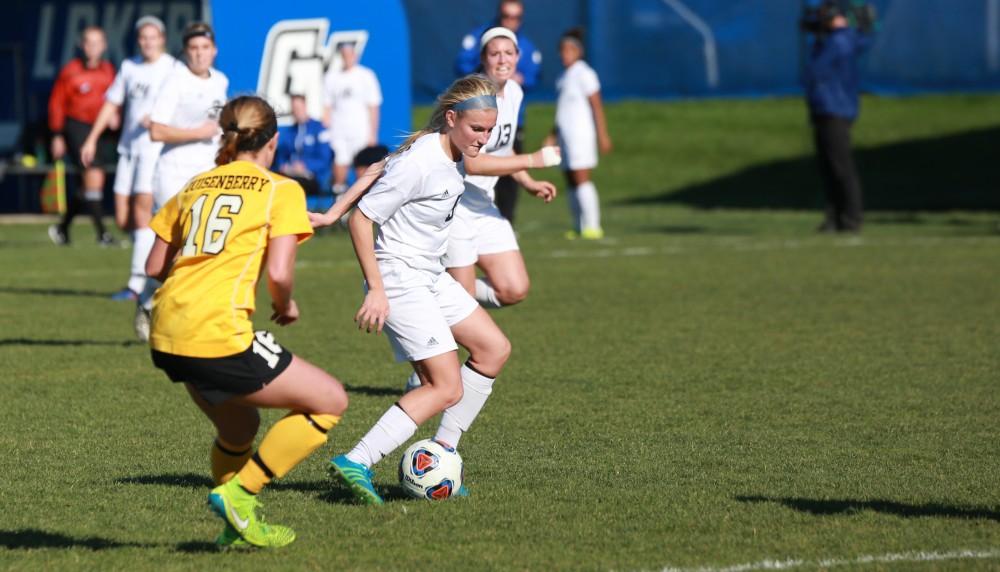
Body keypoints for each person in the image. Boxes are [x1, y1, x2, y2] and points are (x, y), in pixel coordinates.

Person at [146, 95, 348, 548]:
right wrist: (286, 304)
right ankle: (240, 492)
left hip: (165, 329)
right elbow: (279, 273)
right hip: (215, 331)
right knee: (329, 401)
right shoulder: (281, 189)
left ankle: (233, 527)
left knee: (239, 430)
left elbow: (156, 264)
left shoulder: (196, 184)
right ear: (273, 141)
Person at [324, 75, 509, 505]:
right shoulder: (423, 160)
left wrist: (334, 206)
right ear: (451, 119)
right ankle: (357, 460)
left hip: (428, 274)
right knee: (446, 386)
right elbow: (362, 220)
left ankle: (442, 453)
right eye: (477, 129)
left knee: (493, 349)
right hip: (398, 278)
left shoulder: (448, 149)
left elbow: (379, 170)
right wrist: (375, 290)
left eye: (490, 130)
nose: (484, 139)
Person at [136, 21, 228, 340]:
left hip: (207, 173)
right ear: (186, 52)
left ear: (213, 50)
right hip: (173, 172)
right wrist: (196, 134)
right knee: (179, 246)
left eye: (205, 48)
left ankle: (154, 301)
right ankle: (159, 304)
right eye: (193, 49)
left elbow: (218, 128)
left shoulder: (221, 80)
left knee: (200, 246)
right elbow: (156, 130)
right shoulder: (175, 81)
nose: (200, 55)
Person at [80, 16, 176, 301]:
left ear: (162, 38)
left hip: (153, 150)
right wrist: (92, 138)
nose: (148, 42)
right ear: (138, 40)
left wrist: (160, 120)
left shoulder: (172, 68)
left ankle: (138, 283)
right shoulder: (130, 67)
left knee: (141, 214)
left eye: (153, 36)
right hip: (128, 150)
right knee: (123, 217)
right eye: (143, 37)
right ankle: (161, 260)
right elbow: (112, 103)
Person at [455, 0, 543, 225]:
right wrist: (531, 160)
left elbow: (504, 150)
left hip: (483, 203)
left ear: (517, 57)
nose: (503, 60)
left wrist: (529, 182)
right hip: (454, 205)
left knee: (515, 261)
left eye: (509, 53)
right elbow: (472, 164)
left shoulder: (514, 92)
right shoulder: (475, 99)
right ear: (483, 58)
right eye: (495, 54)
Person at [803, 3, 872, 233]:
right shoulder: (834, 40)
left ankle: (852, 218)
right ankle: (835, 218)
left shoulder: (839, 40)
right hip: (825, 108)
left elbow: (816, 70)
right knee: (828, 168)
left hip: (835, 109)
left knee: (841, 167)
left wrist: (820, 36)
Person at [47, 26, 117, 247]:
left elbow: (115, 100)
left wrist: (115, 115)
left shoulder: (108, 71)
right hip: (76, 127)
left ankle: (62, 228)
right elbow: (57, 104)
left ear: (104, 46)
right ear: (81, 45)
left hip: (100, 130)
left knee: (87, 185)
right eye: (88, 42)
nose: (92, 48)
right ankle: (103, 234)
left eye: (97, 43)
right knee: (94, 176)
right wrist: (57, 134)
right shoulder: (70, 71)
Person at [549, 28, 612, 240]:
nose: (563, 54)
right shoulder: (563, 77)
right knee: (570, 179)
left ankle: (593, 226)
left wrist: (602, 134)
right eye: (561, 50)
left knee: (582, 177)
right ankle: (577, 225)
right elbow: (562, 111)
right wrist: (552, 135)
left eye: (568, 49)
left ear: (578, 51)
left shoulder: (585, 73)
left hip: (580, 135)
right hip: (565, 137)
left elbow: (596, 105)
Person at [322, 41, 382, 196]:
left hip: (360, 131)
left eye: (350, 54)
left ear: (355, 55)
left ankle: (360, 204)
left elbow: (373, 106)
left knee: (361, 170)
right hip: (339, 131)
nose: (347, 58)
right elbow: (327, 106)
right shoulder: (332, 77)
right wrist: (327, 128)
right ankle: (340, 202)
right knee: (340, 165)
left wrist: (372, 134)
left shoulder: (366, 76)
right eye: (344, 55)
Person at [274, 93, 332, 197]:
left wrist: (305, 166)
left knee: (292, 185)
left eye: (298, 108)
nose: (296, 112)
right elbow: (282, 156)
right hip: (290, 175)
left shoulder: (318, 129)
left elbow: (325, 159)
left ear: (305, 106)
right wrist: (284, 166)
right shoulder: (290, 132)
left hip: (311, 178)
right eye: (294, 109)